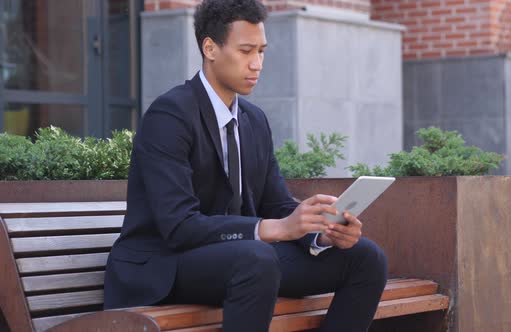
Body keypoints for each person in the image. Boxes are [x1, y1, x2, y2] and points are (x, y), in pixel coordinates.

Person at [103, 0, 387, 330]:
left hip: (240, 260)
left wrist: (321, 231)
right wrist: (271, 229)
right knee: (256, 258)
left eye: (262, 51)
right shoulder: (170, 115)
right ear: (210, 48)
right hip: (162, 266)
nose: (257, 64)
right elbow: (179, 226)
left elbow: (277, 203)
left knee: (366, 258)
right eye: (246, 51)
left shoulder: (253, 120)